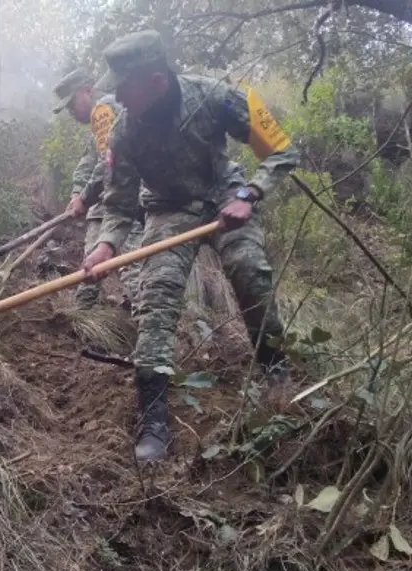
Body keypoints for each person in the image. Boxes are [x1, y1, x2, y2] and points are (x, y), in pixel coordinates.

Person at [81, 30, 300, 463]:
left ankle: (276, 370)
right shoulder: (123, 133)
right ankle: (154, 419)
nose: (118, 96)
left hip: (226, 199)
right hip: (167, 209)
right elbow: (119, 202)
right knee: (156, 296)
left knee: (249, 272)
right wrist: (107, 244)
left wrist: (250, 194)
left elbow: (281, 151)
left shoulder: (215, 97)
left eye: (125, 86)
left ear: (157, 80)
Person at [52, 68, 145, 312]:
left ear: (87, 91)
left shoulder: (104, 109)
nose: (71, 112)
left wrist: (84, 198)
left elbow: (108, 162)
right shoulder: (99, 119)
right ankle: (81, 322)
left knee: (131, 267)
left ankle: (149, 334)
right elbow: (89, 160)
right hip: (105, 203)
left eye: (72, 104)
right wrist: (76, 193)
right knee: (91, 265)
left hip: (126, 201)